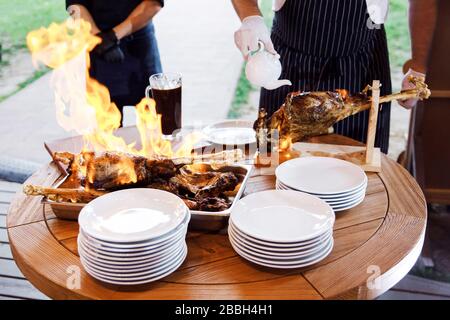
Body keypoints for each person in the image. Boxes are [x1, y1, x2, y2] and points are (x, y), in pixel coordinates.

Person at [232, 0, 437, 154]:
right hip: (289, 62)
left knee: (360, 176)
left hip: (362, 64)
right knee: (274, 166)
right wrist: (251, 17)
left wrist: (418, 66)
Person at [66, 0, 164, 124]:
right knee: (107, 127)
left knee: (153, 120)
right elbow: (75, 4)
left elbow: (153, 4)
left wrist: (113, 36)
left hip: (139, 44)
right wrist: (100, 40)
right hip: (99, 48)